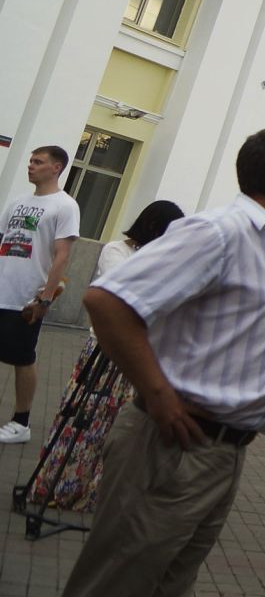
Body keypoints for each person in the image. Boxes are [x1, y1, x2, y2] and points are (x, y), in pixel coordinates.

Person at [10, 125, 265, 597]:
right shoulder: (219, 233)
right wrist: (156, 393)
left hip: (220, 455)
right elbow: (108, 300)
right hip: (172, 449)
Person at [26, 200, 184, 513]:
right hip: (106, 351)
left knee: (120, 426)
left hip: (140, 355)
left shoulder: (160, 259)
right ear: (154, 228)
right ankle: (59, 486)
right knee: (82, 419)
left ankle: (98, 493)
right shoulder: (117, 251)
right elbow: (126, 296)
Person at [0, 144, 82, 445]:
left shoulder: (64, 205)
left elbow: (61, 256)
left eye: (38, 161)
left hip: (26, 296)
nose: (31, 165)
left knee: (22, 358)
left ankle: (21, 423)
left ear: (56, 167)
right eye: (30, 160)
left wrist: (45, 299)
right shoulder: (18, 202)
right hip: (2, 287)